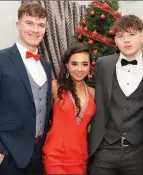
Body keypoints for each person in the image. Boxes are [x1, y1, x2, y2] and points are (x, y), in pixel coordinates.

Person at [0, 2, 52, 175]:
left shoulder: (46, 66)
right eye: (29, 23)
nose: (35, 30)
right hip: (8, 158)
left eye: (41, 25)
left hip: (38, 157)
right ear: (18, 24)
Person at [88, 14, 143, 175]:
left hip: (138, 153)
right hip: (104, 149)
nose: (126, 40)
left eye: (131, 34)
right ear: (115, 40)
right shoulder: (103, 64)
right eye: (120, 36)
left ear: (141, 36)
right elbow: (87, 92)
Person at [42, 43, 95, 174]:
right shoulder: (55, 87)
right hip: (55, 158)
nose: (79, 69)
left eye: (84, 64)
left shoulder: (93, 92)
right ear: (67, 66)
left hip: (81, 158)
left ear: (90, 67)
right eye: (74, 64)